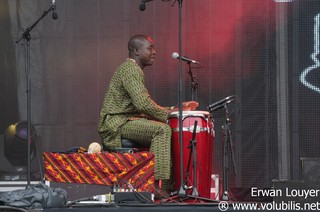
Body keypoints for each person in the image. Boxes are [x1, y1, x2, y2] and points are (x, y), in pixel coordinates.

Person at [98, 34, 197, 198]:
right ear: (137, 51)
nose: (155, 52)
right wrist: (168, 114)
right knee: (161, 130)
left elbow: (143, 106)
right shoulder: (130, 69)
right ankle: (154, 186)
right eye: (150, 48)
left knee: (163, 128)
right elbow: (143, 104)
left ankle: (165, 186)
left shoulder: (132, 69)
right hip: (116, 124)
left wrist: (175, 108)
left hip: (127, 120)